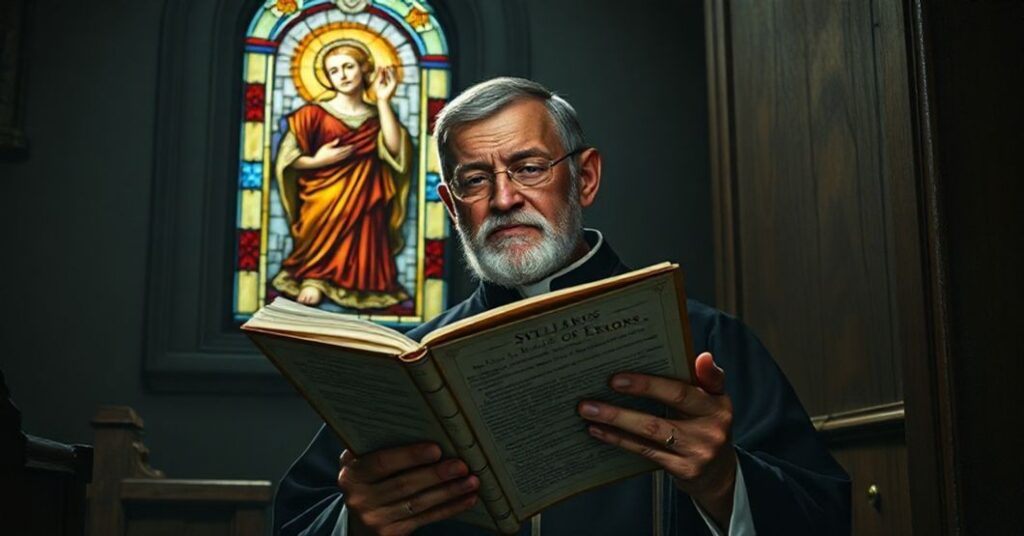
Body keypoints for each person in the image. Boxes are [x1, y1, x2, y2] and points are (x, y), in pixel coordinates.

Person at [273, 78, 851, 535]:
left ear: (586, 177)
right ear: (452, 206)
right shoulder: (407, 366)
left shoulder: (708, 341)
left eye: (528, 168)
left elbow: (823, 515)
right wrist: (358, 527)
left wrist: (725, 482)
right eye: (475, 180)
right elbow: (303, 517)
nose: (504, 199)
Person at [272, 40, 413, 309]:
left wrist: (383, 101)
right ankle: (313, 276)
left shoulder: (377, 118)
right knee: (318, 225)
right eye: (334, 71)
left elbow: (396, 152)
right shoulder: (310, 115)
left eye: (348, 66)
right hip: (320, 199)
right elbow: (287, 160)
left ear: (364, 69)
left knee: (365, 238)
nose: (343, 75)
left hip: (366, 200)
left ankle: (362, 284)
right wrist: (316, 161)